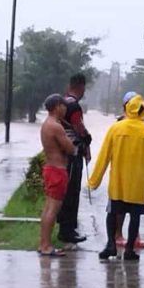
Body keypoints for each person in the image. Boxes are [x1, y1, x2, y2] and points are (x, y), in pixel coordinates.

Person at [89, 94, 144, 261]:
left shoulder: (116, 128)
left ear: (127, 108)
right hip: (138, 184)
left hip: (118, 181)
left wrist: (94, 180)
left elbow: (104, 155)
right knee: (135, 217)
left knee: (112, 213)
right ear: (143, 110)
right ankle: (129, 250)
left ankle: (111, 244)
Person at [57, 73, 92, 245]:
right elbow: (80, 129)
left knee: (65, 192)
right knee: (72, 192)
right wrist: (88, 141)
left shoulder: (63, 102)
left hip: (62, 153)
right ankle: (68, 230)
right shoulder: (74, 106)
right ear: (80, 86)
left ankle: (66, 227)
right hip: (73, 154)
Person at [39, 94, 76, 257]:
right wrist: (71, 140)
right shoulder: (56, 126)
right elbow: (70, 148)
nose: (65, 109)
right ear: (57, 107)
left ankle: (44, 243)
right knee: (53, 210)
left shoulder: (46, 125)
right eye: (63, 106)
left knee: (48, 208)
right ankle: (46, 245)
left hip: (50, 168)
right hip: (57, 170)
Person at [112, 91, 144, 249]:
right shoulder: (117, 127)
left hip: (138, 173)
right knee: (119, 208)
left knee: (136, 209)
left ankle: (135, 237)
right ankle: (118, 235)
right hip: (121, 172)